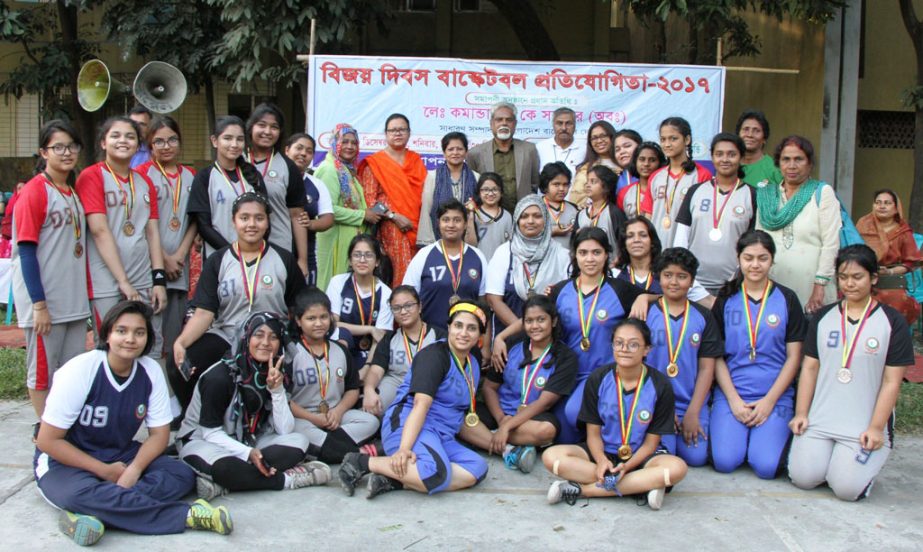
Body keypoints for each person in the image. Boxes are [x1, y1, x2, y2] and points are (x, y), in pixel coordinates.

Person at [35, 301, 231, 546]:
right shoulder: (80, 370)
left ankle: (93, 514)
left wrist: (134, 469)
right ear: (107, 334)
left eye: (139, 333)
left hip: (119, 454)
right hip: (67, 460)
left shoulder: (149, 371)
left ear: (148, 338)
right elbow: (47, 440)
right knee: (79, 494)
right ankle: (187, 516)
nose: (130, 339)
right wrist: (104, 471)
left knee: (180, 474)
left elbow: (159, 436)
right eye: (121, 331)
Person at [788, 245, 913, 500]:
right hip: (822, 419)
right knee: (803, 478)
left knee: (846, 489)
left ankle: (853, 466)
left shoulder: (892, 322)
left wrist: (876, 427)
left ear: (873, 278)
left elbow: (892, 381)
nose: (849, 284)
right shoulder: (823, 317)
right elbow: (810, 368)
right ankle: (834, 461)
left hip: (862, 424)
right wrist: (802, 413)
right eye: (843, 277)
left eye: (857, 277)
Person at [338, 301, 490, 499]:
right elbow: (420, 405)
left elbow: (462, 414)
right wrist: (404, 449)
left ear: (480, 335)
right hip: (408, 426)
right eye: (458, 325)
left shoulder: (472, 364)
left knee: (477, 468)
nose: (463, 333)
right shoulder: (435, 356)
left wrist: (498, 443)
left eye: (472, 328)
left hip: (441, 434)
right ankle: (362, 462)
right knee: (436, 473)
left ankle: (395, 480)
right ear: (449, 327)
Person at [172, 193, 305, 409]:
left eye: (259, 218)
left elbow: (299, 306)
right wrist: (181, 342)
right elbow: (205, 312)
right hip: (228, 334)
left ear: (267, 221)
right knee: (179, 361)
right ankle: (194, 418)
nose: (251, 224)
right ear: (234, 221)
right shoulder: (218, 260)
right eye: (244, 218)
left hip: (269, 338)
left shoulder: (284, 259)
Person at [178, 311, 330, 499]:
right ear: (246, 337)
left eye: (273, 337)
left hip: (249, 439)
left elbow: (285, 430)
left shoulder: (275, 372)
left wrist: (277, 391)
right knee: (225, 467)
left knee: (299, 442)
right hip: (203, 441)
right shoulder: (219, 377)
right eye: (258, 335)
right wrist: (248, 453)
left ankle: (226, 485)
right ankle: (286, 481)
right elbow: (210, 433)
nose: (265, 343)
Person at [542, 318, 687, 510]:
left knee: (677, 468)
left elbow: (651, 443)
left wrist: (627, 467)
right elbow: (593, 434)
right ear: (612, 346)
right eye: (619, 343)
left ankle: (582, 490)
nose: (624, 348)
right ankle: (642, 485)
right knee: (552, 456)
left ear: (647, 350)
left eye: (633, 344)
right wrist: (601, 460)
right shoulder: (598, 378)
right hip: (604, 453)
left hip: (641, 456)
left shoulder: (660, 384)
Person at [710, 230, 806, 479]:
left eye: (762, 258)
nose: (755, 265)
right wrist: (733, 400)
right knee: (724, 462)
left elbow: (794, 357)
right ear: (739, 259)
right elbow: (716, 355)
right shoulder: (726, 297)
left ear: (772, 260)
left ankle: (762, 439)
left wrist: (769, 401)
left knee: (765, 467)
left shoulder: (787, 299)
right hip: (733, 391)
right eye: (748, 257)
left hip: (774, 393)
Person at [12, 121, 89, 420]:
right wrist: (39, 305)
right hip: (46, 302)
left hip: (73, 301)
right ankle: (45, 429)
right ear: (43, 152)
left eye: (72, 146)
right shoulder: (34, 191)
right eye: (58, 147)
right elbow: (27, 251)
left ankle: (65, 425)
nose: (67, 153)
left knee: (70, 371)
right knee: (42, 371)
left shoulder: (71, 190)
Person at [75, 116, 167, 351]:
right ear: (103, 143)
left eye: (130, 136)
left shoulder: (144, 181)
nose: (123, 141)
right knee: (109, 342)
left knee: (148, 342)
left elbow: (152, 232)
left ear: (139, 145)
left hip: (142, 277)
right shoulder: (91, 176)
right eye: (115, 135)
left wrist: (158, 279)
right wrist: (123, 282)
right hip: (105, 279)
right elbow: (99, 230)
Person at [548, 227, 645, 444]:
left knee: (575, 413)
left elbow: (663, 297)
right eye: (583, 253)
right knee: (562, 433)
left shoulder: (622, 290)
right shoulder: (560, 290)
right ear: (574, 256)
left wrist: (645, 298)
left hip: (603, 374)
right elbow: (538, 319)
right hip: (569, 374)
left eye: (596, 252)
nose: (590, 259)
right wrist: (500, 338)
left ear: (607, 255)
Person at [460, 296, 578, 473]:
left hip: (531, 418)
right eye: (529, 321)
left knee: (546, 431)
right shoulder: (511, 345)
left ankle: (485, 438)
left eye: (541, 320)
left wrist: (507, 426)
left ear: (553, 321)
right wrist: (501, 419)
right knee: (459, 417)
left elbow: (544, 402)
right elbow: (490, 387)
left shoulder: (566, 357)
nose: (535, 326)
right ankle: (511, 449)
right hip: (500, 412)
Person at [136, 116, 198, 397]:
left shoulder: (190, 176)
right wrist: (164, 258)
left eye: (171, 139)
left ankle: (170, 397)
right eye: (158, 141)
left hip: (180, 267)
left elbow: (195, 219)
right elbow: (143, 223)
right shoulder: (141, 175)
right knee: (152, 334)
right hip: (152, 267)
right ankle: (146, 393)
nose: (166, 146)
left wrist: (181, 254)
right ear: (149, 145)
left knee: (175, 336)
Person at [643, 248, 722, 467]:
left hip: (690, 402)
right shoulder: (646, 312)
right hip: (654, 402)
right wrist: (662, 410)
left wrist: (693, 412)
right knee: (664, 453)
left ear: (692, 280)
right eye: (668, 275)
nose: (674, 282)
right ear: (658, 277)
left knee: (695, 458)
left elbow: (707, 368)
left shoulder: (704, 316)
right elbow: (637, 367)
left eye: (682, 276)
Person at [288, 288, 380, 463]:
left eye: (323, 317)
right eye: (311, 318)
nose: (319, 323)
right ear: (298, 321)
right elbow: (284, 399)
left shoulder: (340, 350)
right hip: (303, 418)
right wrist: (314, 418)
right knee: (296, 432)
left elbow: (352, 389)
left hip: (335, 416)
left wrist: (338, 412)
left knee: (371, 422)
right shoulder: (290, 352)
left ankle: (327, 450)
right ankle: (361, 455)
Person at [756, 136, 840, 313]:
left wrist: (820, 285)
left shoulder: (821, 192)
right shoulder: (767, 196)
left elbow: (831, 243)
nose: (792, 165)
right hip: (772, 285)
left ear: (810, 163)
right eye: (786, 159)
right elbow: (757, 243)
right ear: (778, 163)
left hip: (811, 288)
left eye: (799, 159)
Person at [673, 133, 757, 295]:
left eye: (731, 154)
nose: (725, 159)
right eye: (719, 154)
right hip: (694, 285)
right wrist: (684, 276)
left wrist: (738, 277)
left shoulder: (752, 195)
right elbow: (681, 240)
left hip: (734, 285)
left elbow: (753, 243)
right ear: (712, 157)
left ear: (741, 158)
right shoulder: (695, 191)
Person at [485, 194, 571, 338]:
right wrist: (527, 331)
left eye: (537, 216)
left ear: (546, 219)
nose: (530, 221)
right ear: (517, 221)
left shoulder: (562, 255)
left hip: (550, 339)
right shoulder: (504, 252)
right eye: (524, 216)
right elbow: (494, 300)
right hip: (509, 339)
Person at [357, 113, 427, 287]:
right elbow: (370, 202)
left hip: (418, 227)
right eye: (393, 130)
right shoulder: (376, 163)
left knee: (418, 273)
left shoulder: (415, 160)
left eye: (402, 129)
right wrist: (393, 216)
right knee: (400, 274)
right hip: (392, 229)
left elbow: (423, 195)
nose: (398, 133)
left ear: (409, 133)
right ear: (386, 134)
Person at [187, 115, 267, 259]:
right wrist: (232, 252)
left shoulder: (253, 176)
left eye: (240, 139)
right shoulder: (204, 177)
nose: (234, 144)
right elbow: (203, 225)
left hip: (253, 254)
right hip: (218, 256)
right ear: (214, 141)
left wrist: (251, 249)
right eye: (228, 138)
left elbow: (265, 216)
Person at [403, 199, 488, 330]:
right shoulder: (423, 255)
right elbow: (407, 297)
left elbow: (484, 302)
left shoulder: (478, 256)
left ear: (465, 224)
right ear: (438, 223)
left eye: (457, 220)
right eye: (446, 220)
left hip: (467, 337)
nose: (451, 225)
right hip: (430, 337)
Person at [245, 103, 309, 274]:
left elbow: (297, 216)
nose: (267, 131)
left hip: (278, 247)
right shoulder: (237, 160)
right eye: (261, 125)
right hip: (238, 246)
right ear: (251, 127)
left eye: (274, 127)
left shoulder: (288, 167)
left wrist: (302, 260)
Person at [364, 286, 448, 417]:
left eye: (408, 305)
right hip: (396, 383)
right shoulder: (389, 339)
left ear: (420, 307)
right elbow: (375, 370)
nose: (403, 312)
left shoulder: (439, 336)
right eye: (396, 308)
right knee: (373, 410)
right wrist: (369, 390)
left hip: (429, 387)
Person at [314, 123, 379, 291]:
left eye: (354, 143)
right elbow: (328, 210)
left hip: (349, 239)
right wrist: (363, 215)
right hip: (334, 239)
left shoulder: (348, 171)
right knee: (332, 288)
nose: (350, 147)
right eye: (345, 142)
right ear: (335, 143)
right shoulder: (329, 169)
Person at [325, 234, 394, 367]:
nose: (362, 260)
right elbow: (332, 323)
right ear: (350, 260)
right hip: (341, 347)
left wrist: (367, 367)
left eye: (368, 255)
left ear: (377, 261)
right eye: (357, 255)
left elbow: (379, 336)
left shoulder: (385, 292)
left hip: (370, 354)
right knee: (342, 334)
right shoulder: (338, 282)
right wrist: (369, 329)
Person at [613, 216, 714, 307]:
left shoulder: (672, 272)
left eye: (643, 235)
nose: (636, 240)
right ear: (624, 244)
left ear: (652, 241)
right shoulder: (614, 275)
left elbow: (710, 302)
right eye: (630, 236)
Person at [856, 189, 922, 324]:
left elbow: (910, 263)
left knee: (897, 307)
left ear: (896, 208)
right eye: (878, 202)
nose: (881, 206)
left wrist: (889, 271)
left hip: (891, 282)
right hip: (862, 279)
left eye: (887, 203)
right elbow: (852, 251)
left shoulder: (903, 232)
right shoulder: (863, 225)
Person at [650, 117, 713, 247]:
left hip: (686, 248)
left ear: (687, 140)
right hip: (656, 249)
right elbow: (647, 215)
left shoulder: (702, 174)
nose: (667, 144)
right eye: (663, 139)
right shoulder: (656, 176)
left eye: (673, 138)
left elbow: (705, 219)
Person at [466, 102, 540, 213]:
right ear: (491, 124)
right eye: (499, 120)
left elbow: (534, 184)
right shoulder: (475, 153)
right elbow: (473, 189)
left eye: (509, 120)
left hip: (523, 215)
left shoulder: (529, 150)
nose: (504, 123)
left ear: (515, 124)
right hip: (490, 217)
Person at [285, 133, 334, 286]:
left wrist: (310, 224)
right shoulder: (273, 179)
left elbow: (328, 219)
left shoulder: (316, 184)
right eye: (299, 148)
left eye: (309, 151)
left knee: (305, 303)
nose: (303, 154)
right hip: (275, 251)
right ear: (287, 150)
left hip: (307, 255)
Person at [417, 132, 479, 247]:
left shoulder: (475, 177)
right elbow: (426, 210)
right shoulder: (433, 176)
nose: (455, 153)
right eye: (450, 149)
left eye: (459, 149)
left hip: (468, 240)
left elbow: (479, 214)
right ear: (444, 153)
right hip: (438, 240)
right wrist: (427, 241)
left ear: (466, 152)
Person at [574, 165, 627, 259]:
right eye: (587, 181)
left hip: (611, 268)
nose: (588, 185)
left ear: (606, 187)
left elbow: (623, 243)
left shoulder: (614, 213)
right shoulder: (581, 215)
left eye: (593, 181)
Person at [567, 121, 618, 208]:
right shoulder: (585, 169)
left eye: (603, 136)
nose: (599, 141)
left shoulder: (623, 165)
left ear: (612, 137)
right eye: (594, 138)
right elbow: (576, 199)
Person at [464, 172, 513, 261]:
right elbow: (470, 245)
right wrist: (470, 216)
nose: (490, 194)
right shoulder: (474, 214)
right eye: (485, 190)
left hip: (501, 265)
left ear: (501, 192)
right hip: (478, 264)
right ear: (479, 192)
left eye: (495, 189)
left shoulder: (507, 216)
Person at [618, 142, 665, 220]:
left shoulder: (665, 188)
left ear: (660, 163)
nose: (646, 164)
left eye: (652, 160)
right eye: (642, 159)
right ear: (635, 162)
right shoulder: (624, 193)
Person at [736, 109, 782, 187]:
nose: (750, 135)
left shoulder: (775, 169)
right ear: (738, 134)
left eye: (756, 131)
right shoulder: (729, 166)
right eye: (746, 129)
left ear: (764, 139)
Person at [539, 162, 578, 249]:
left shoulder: (574, 209)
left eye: (565, 184)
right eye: (556, 184)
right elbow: (525, 235)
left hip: (567, 260)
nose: (561, 189)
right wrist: (551, 231)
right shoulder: (534, 207)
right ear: (545, 185)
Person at [536, 108, 585, 175]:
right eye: (559, 123)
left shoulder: (585, 149)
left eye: (568, 123)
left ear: (575, 125)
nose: (564, 128)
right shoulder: (540, 147)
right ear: (553, 125)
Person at [612, 129, 643, 197]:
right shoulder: (615, 180)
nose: (622, 151)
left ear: (640, 146)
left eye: (627, 146)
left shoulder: (654, 173)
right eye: (617, 150)